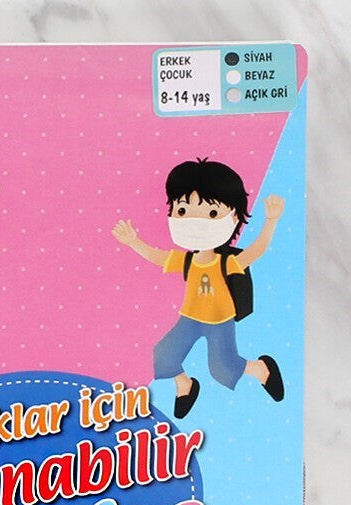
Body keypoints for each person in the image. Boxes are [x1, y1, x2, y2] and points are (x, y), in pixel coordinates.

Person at [112, 158, 285, 418]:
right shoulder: (188, 260)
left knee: (222, 369)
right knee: (163, 354)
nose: (194, 222)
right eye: (182, 210)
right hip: (190, 319)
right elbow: (157, 256)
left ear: (233, 216)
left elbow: (256, 251)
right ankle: (185, 385)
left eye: (212, 213)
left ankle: (262, 369)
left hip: (220, 321)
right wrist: (133, 241)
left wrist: (271, 221)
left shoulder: (226, 262)